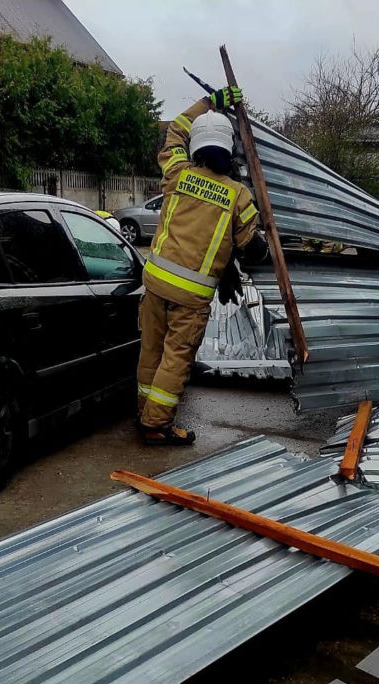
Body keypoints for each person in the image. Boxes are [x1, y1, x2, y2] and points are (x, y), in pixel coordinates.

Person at [135, 86, 267, 446]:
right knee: (176, 358)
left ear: (196, 147)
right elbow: (251, 248)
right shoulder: (238, 196)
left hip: (155, 282)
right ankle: (156, 425)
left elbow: (174, 130)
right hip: (190, 296)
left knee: (151, 351)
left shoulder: (177, 173)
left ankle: (145, 411)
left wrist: (210, 102)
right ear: (229, 150)